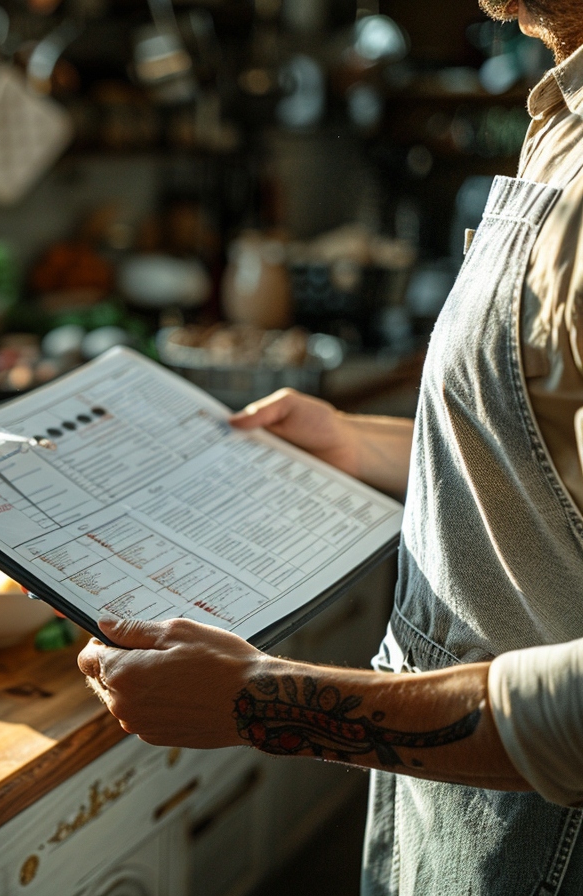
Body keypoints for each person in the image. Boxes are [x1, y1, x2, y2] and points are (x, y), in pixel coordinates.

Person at [77, 1, 583, 893]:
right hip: (468, 793)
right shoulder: (562, 116)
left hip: (550, 826)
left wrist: (263, 701)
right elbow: (544, 454)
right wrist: (356, 441)